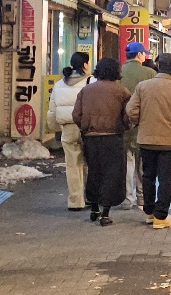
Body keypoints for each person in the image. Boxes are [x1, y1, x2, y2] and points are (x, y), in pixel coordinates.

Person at [126, 52, 171, 229]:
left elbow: (131, 110)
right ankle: (160, 216)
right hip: (169, 141)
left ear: (157, 66)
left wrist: (138, 124)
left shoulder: (143, 86)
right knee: (165, 179)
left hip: (146, 139)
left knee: (147, 175)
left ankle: (149, 212)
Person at [74, 57, 132, 225]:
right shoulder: (122, 92)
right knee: (112, 174)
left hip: (91, 138)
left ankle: (94, 207)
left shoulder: (86, 90)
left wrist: (86, 127)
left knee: (94, 172)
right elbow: (127, 117)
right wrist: (125, 127)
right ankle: (105, 212)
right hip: (113, 138)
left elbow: (76, 115)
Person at [45, 51, 91, 211]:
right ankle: (90, 197)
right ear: (85, 65)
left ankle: (75, 201)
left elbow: (52, 111)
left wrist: (55, 129)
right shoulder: (91, 81)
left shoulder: (60, 84)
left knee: (72, 165)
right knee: (89, 164)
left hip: (68, 129)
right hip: (87, 128)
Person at [120, 42, 157, 209]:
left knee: (127, 162)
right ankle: (142, 197)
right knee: (144, 164)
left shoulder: (118, 72)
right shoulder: (149, 73)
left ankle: (128, 198)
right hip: (144, 124)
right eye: (144, 54)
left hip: (122, 124)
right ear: (140, 54)